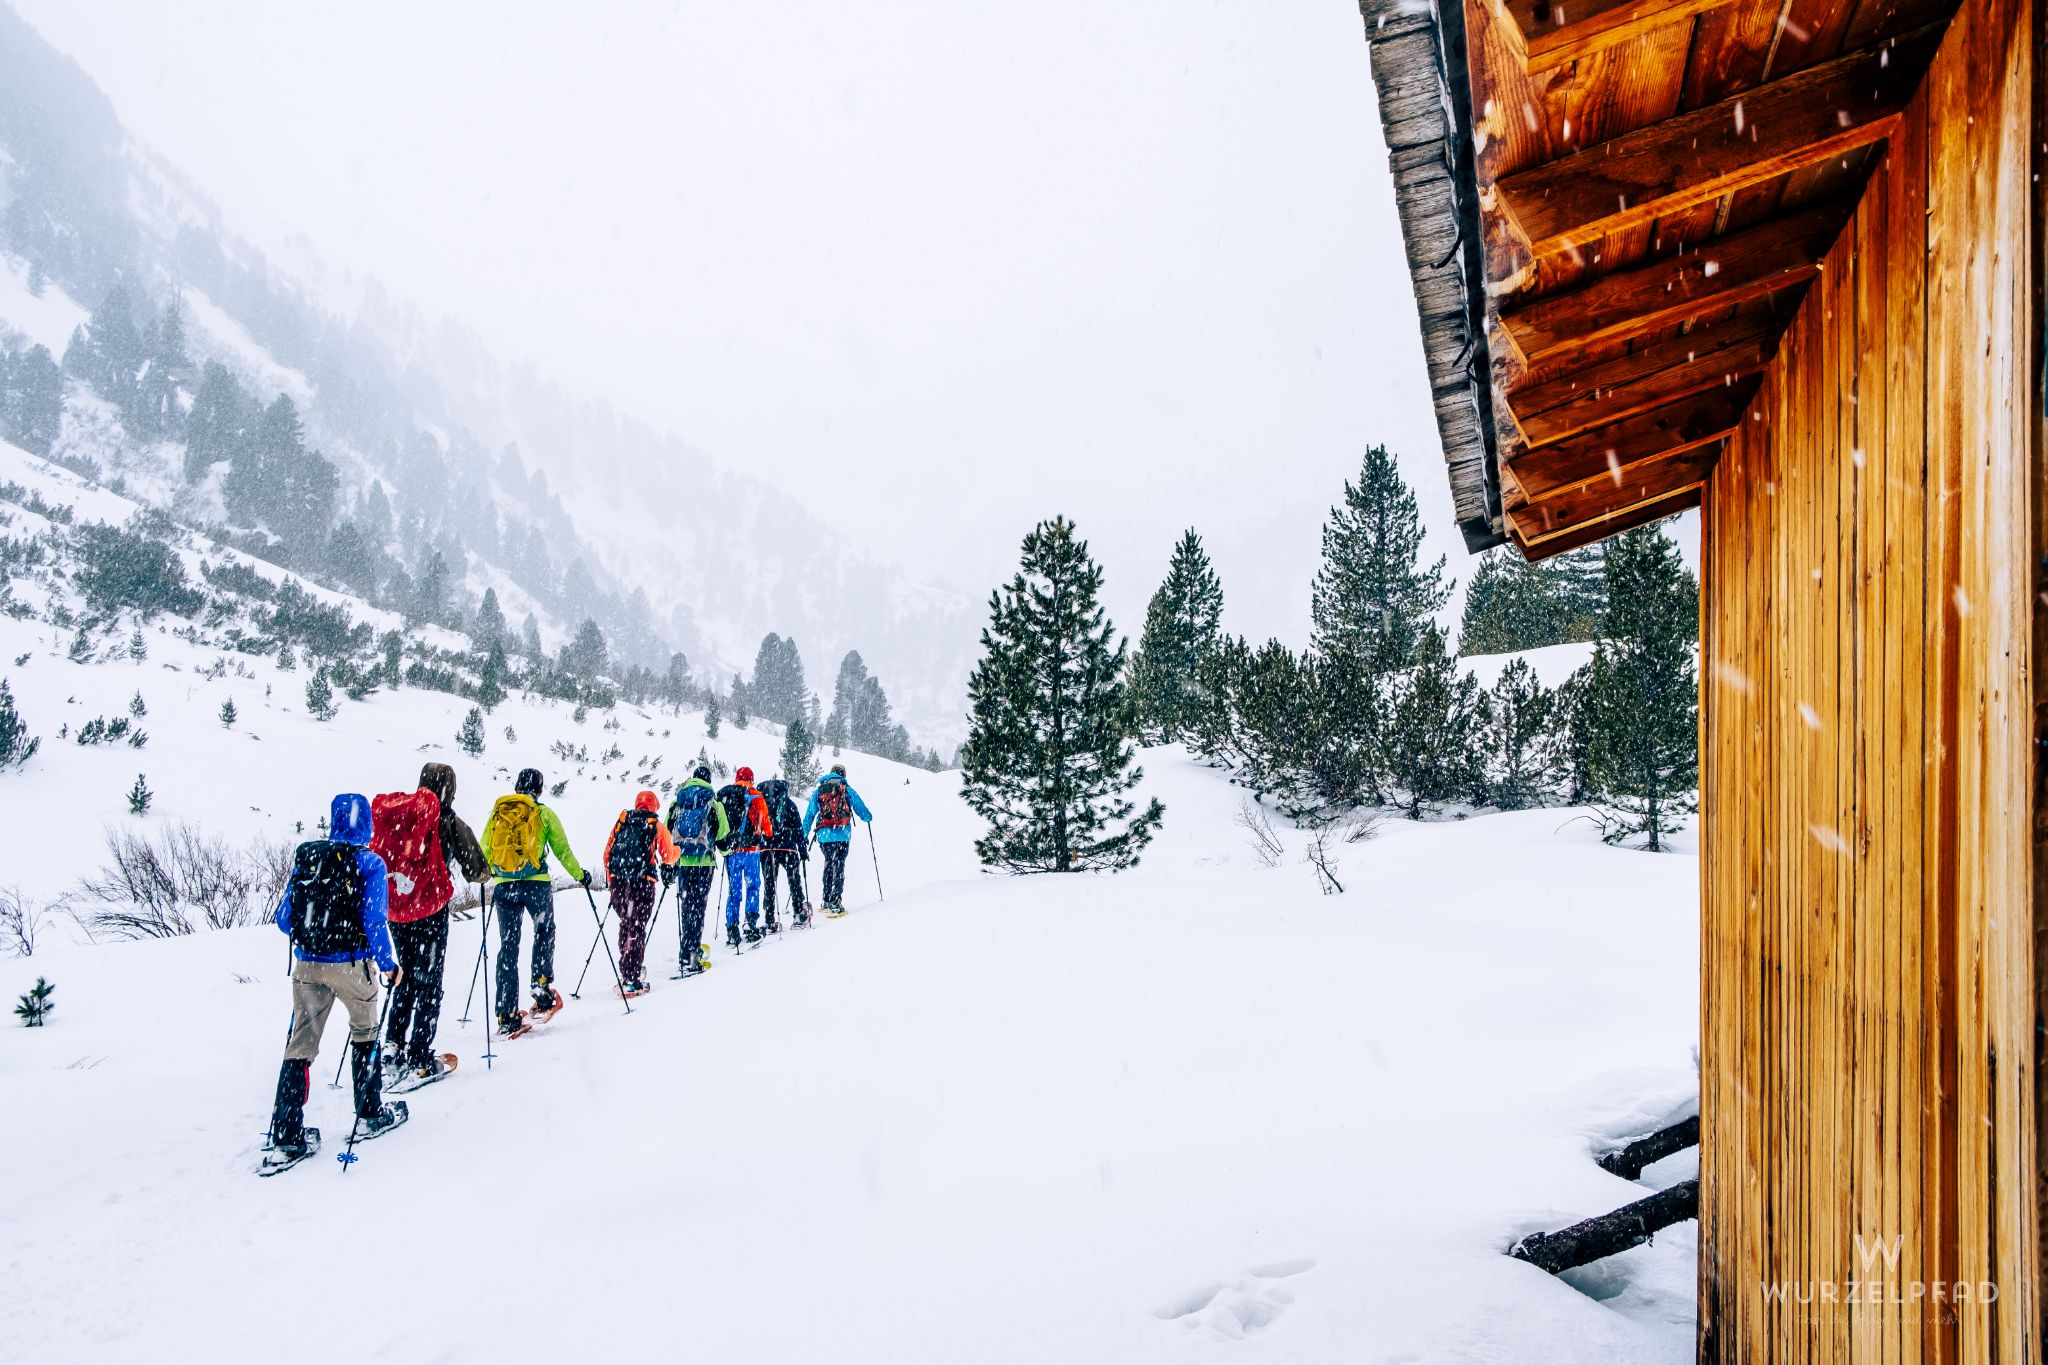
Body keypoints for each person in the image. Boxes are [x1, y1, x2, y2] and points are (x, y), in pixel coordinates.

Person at [263, 793, 405, 1164]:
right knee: (365, 1033)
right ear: (367, 823)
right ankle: (370, 1111)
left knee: (300, 1046)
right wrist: (388, 964)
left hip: (307, 965)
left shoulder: (309, 858)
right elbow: (375, 921)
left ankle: (288, 1134)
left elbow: (283, 920)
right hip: (351, 965)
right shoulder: (370, 863)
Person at [371, 763, 487, 1084]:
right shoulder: (446, 820)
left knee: (404, 976)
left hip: (396, 909)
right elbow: (477, 869)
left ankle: (392, 1047)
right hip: (430, 909)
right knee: (429, 981)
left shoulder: (401, 815)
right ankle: (421, 1057)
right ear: (451, 787)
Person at [482, 767, 588, 1036]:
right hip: (536, 884)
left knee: (508, 946)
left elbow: (484, 850)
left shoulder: (499, 813)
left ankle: (506, 1013)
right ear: (539, 789)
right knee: (544, 931)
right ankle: (541, 988)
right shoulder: (543, 813)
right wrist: (580, 875)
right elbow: (563, 850)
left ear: (518, 786)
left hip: (504, 886)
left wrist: (489, 877)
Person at [604, 789, 678, 993]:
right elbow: (668, 855)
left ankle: (627, 968)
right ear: (654, 806)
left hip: (619, 883)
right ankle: (631, 977)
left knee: (626, 924)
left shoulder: (622, 822)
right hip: (642, 882)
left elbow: (607, 853)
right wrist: (678, 850)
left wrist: (612, 881)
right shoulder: (655, 825)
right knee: (637, 927)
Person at [664, 765, 729, 976]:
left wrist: (670, 861)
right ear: (708, 780)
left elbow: (667, 831)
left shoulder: (678, 801)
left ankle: (685, 950)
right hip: (704, 861)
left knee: (686, 904)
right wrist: (726, 850)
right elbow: (722, 833)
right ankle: (694, 952)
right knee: (698, 906)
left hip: (682, 861)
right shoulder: (713, 802)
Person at [803, 763, 872, 915]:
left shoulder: (820, 790)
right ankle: (836, 901)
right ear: (843, 774)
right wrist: (867, 817)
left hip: (824, 836)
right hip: (842, 835)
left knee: (829, 863)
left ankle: (826, 899)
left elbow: (810, 814)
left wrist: (803, 833)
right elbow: (860, 806)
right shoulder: (845, 789)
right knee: (839, 866)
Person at [714, 766, 773, 945]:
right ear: (751, 779)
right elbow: (765, 822)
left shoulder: (724, 795)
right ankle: (750, 923)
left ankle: (732, 928)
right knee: (753, 886)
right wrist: (768, 835)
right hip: (750, 850)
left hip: (731, 851)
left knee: (734, 890)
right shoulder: (755, 795)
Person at [758, 776, 810, 931]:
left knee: (769, 884)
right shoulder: (790, 804)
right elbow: (798, 830)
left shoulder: (762, 805)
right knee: (794, 882)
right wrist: (802, 850)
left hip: (767, 849)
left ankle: (769, 920)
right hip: (788, 848)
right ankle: (799, 915)